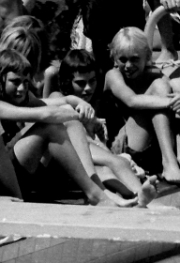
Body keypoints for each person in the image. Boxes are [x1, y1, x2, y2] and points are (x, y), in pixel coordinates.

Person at [0, 49, 122, 205]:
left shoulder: (22, 96)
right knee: (52, 126)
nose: (22, 88)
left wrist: (77, 102)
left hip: (19, 172)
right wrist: (80, 117)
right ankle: (95, 194)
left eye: (25, 82)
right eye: (15, 81)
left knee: (67, 119)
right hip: (7, 181)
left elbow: (55, 103)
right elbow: (44, 115)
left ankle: (98, 189)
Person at [52, 49, 158, 206]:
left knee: (108, 170)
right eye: (81, 83)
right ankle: (146, 200)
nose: (88, 88)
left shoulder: (95, 104)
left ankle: (136, 198)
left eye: (92, 81)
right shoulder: (58, 98)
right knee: (116, 163)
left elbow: (100, 146)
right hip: (65, 162)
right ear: (67, 82)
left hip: (90, 164)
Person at [102, 27, 180, 189]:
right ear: (114, 58)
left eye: (135, 59)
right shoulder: (113, 76)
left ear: (147, 57)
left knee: (178, 84)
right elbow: (131, 101)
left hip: (148, 149)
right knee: (161, 87)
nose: (128, 65)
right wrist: (175, 102)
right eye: (123, 59)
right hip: (124, 150)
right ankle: (170, 162)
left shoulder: (152, 74)